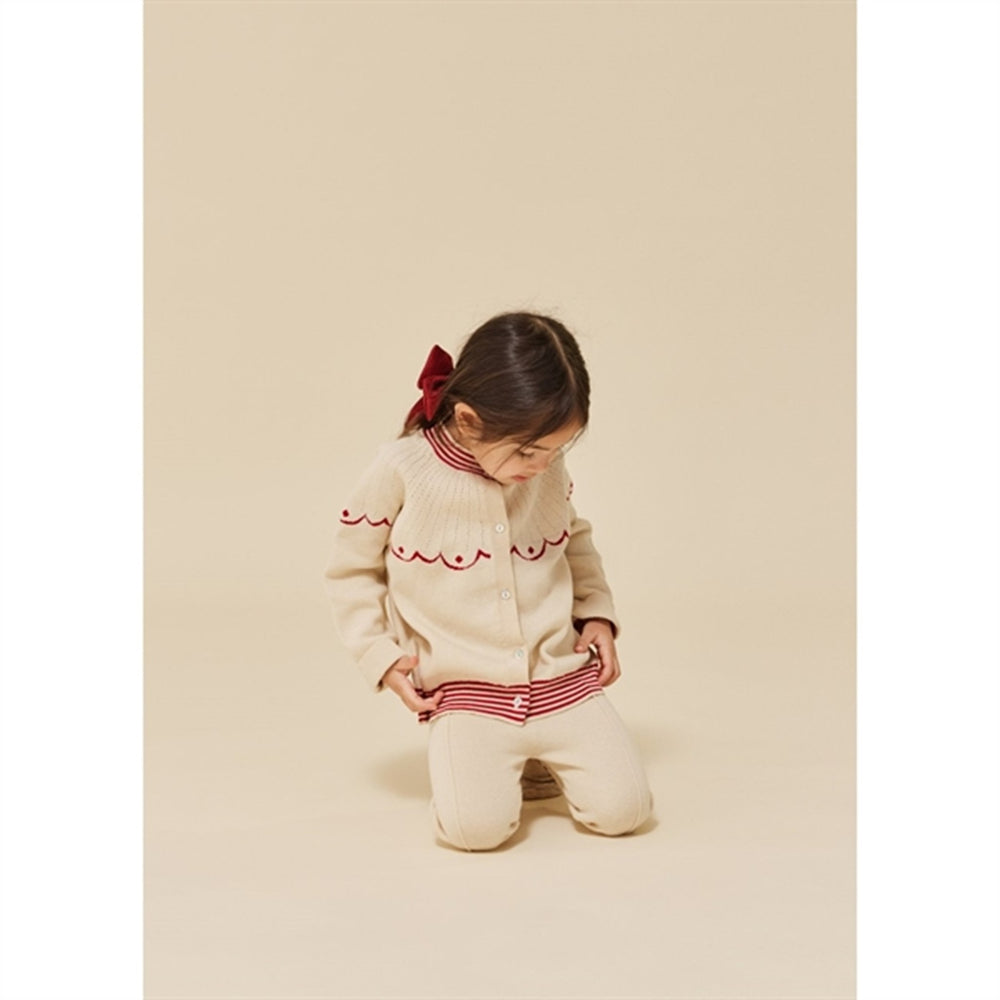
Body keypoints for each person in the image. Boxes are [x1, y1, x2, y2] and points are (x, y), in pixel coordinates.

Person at [324, 311, 653, 851]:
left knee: (626, 812)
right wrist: (379, 656)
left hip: (560, 676)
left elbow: (574, 539)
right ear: (468, 420)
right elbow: (351, 571)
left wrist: (596, 612)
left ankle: (533, 760)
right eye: (528, 451)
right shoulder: (401, 469)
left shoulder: (542, 469)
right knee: (474, 832)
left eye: (556, 450)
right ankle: (488, 766)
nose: (542, 465)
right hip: (466, 690)